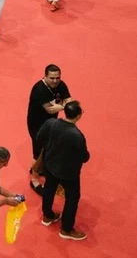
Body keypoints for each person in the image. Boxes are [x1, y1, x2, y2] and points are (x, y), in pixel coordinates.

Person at [35, 101, 89, 241]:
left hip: (50, 166)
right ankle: (66, 229)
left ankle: (47, 215)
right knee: (72, 199)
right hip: (68, 173)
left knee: (49, 189)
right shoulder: (77, 136)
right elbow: (84, 157)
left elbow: (39, 138)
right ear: (78, 116)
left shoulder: (51, 123)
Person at [26, 64, 73, 193]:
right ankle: (34, 180)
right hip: (37, 126)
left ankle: (40, 168)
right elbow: (51, 109)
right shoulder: (39, 89)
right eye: (52, 78)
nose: (55, 81)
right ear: (45, 76)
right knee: (38, 153)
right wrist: (64, 106)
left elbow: (70, 102)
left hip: (51, 124)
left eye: (57, 77)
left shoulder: (61, 85)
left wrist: (61, 106)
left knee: (48, 149)